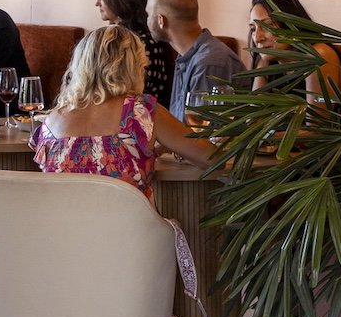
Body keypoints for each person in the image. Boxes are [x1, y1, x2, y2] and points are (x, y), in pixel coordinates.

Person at [30, 25, 212, 202]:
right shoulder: (141, 111)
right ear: (135, 66)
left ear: (80, 66)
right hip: (129, 232)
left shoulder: (52, 122)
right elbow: (211, 158)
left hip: (64, 232)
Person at [146, 0, 244, 121]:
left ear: (161, 20)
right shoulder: (186, 55)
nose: (147, 20)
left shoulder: (209, 63)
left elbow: (200, 135)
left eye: (148, 14)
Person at [96, 0, 172, 104]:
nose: (97, 3)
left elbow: (128, 100)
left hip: (139, 121)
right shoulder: (126, 38)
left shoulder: (140, 44)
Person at [248, 0, 341, 97]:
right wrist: (262, 68)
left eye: (267, 26)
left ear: (291, 25)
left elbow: (317, 114)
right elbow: (256, 111)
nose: (257, 38)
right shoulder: (268, 60)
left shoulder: (319, 55)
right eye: (253, 29)